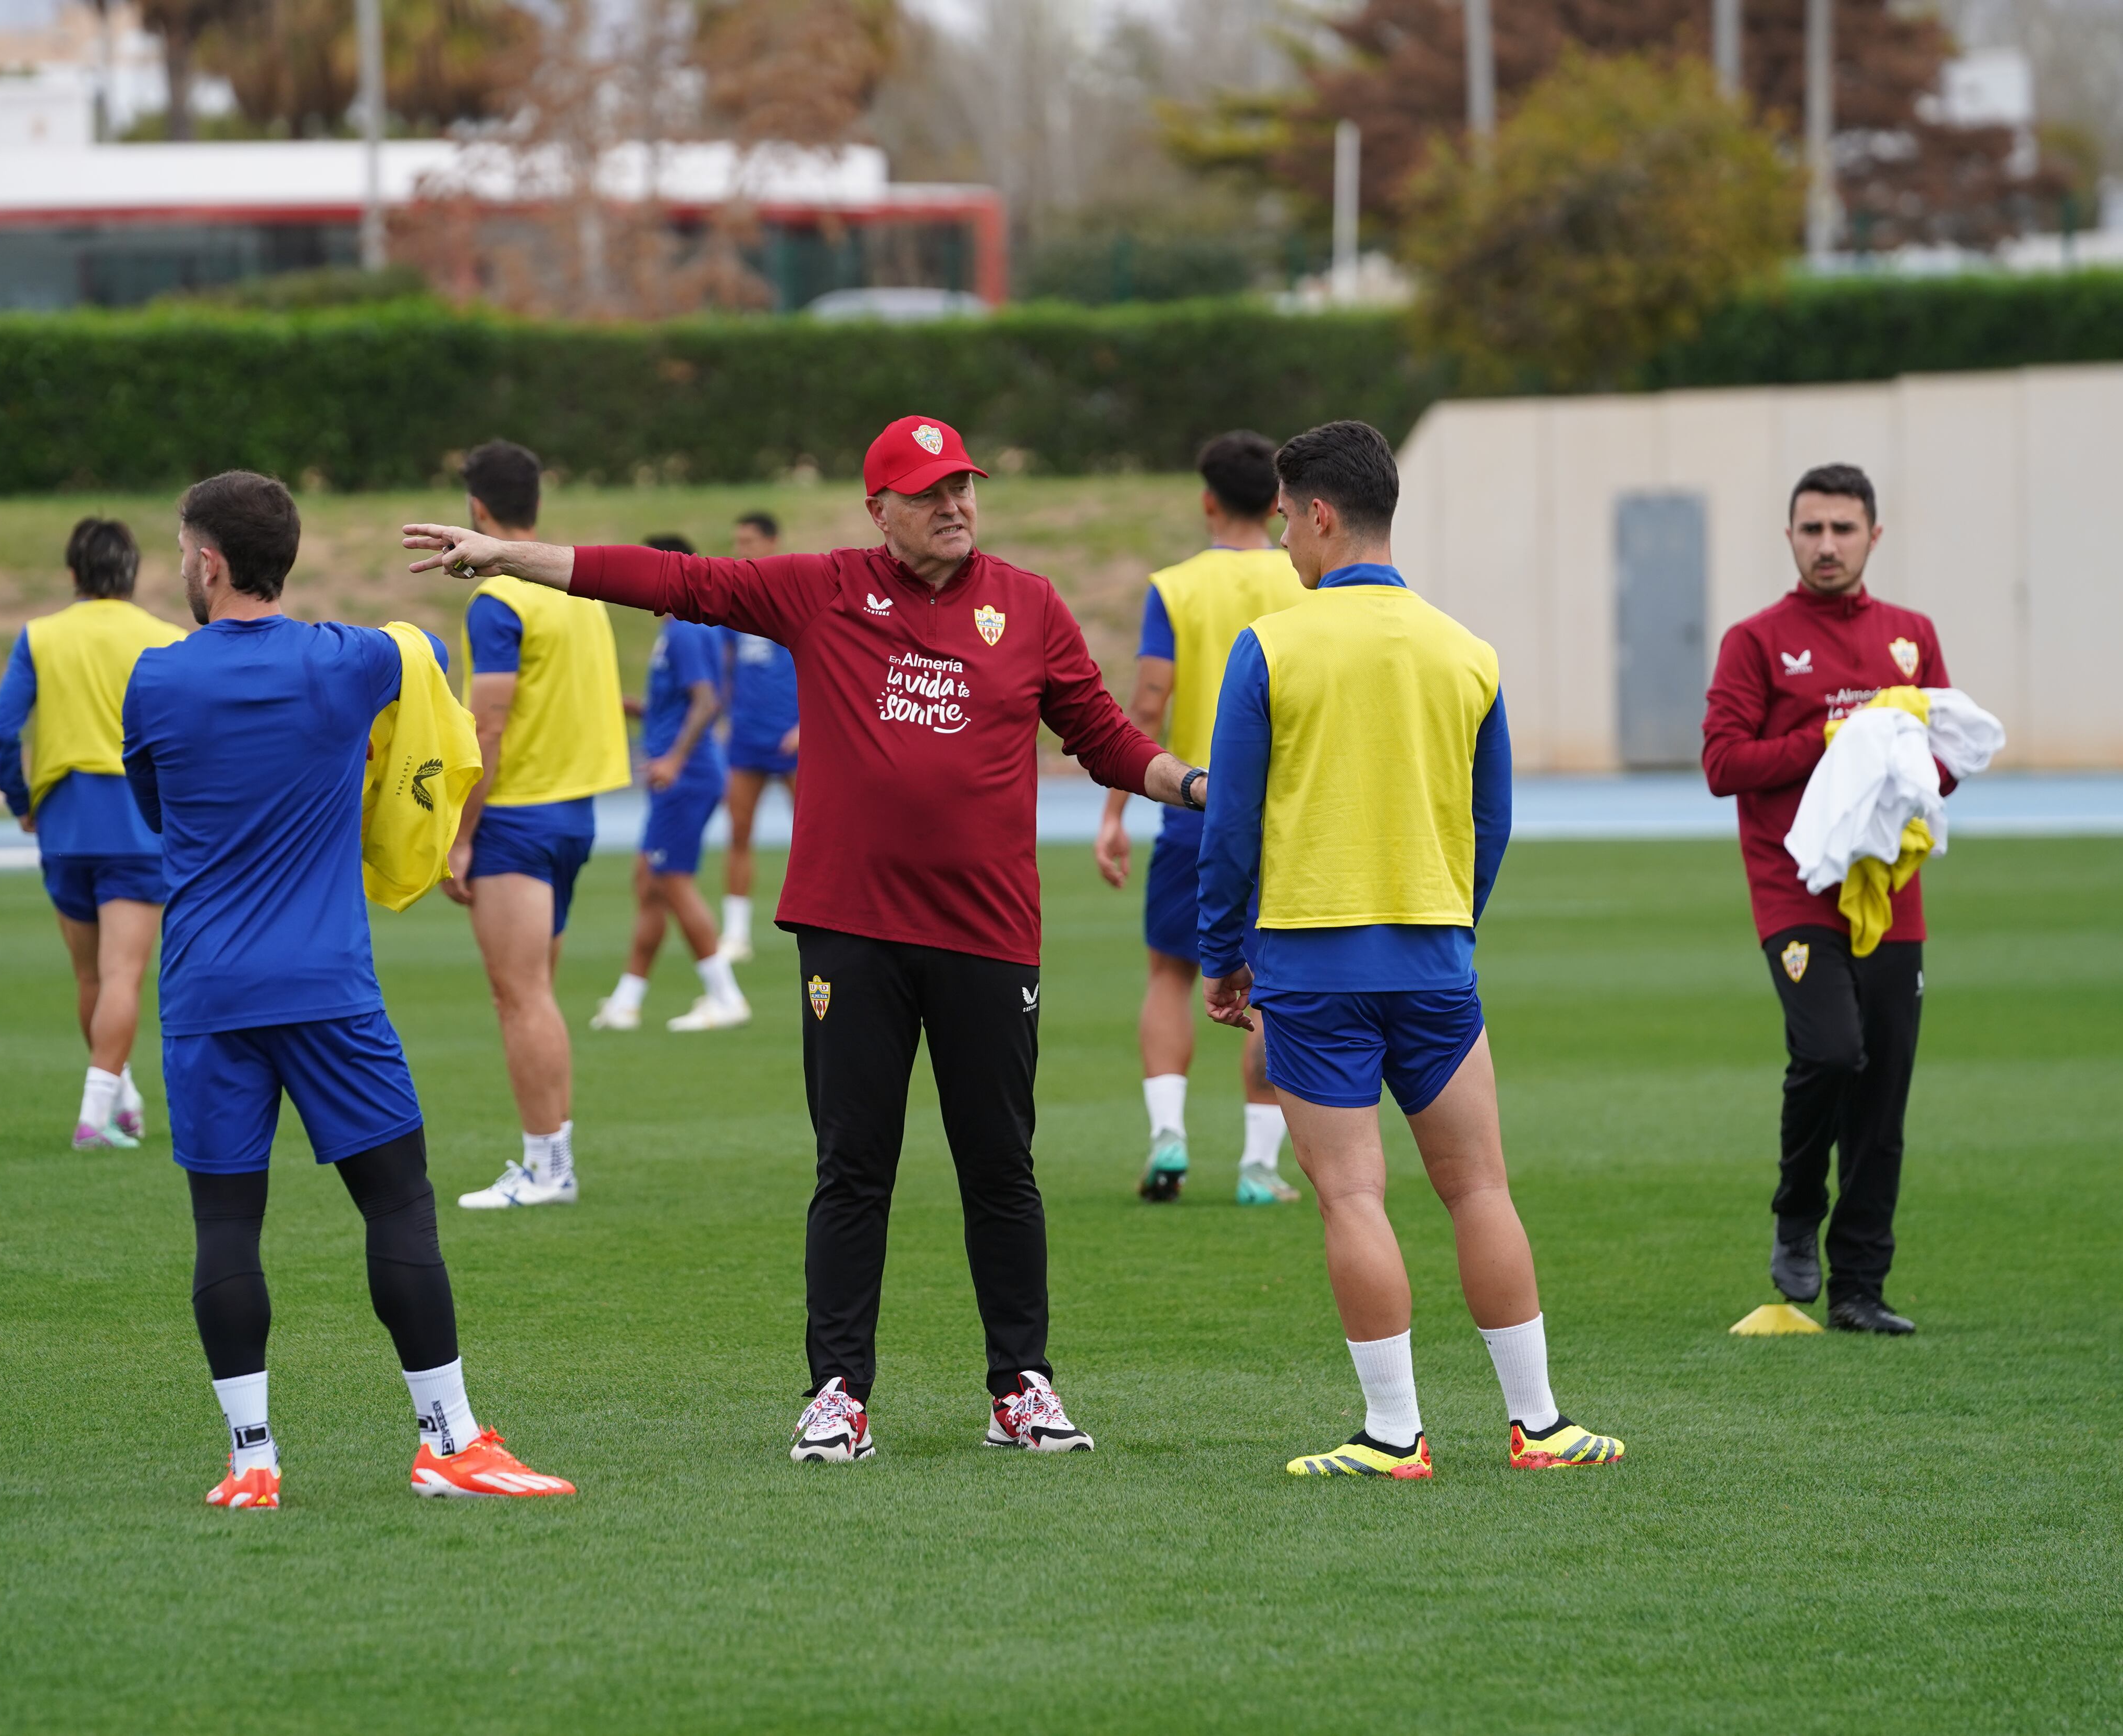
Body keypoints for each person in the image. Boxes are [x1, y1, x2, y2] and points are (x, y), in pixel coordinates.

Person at [403, 414, 1206, 1465]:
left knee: (1001, 1168)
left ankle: (1022, 1385)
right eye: (927, 492)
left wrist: (1190, 786)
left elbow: (1101, 734)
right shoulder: (820, 588)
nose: (954, 505)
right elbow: (662, 582)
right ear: (879, 510)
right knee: (852, 1168)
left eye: (962, 486)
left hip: (988, 933)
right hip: (851, 932)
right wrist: (510, 555)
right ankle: (837, 1392)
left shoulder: (1031, 603)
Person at [121, 469, 571, 1507]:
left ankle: (252, 1460)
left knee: (227, 1223)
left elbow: (156, 806)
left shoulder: (157, 678)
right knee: (398, 1202)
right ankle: (447, 1440)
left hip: (206, 994)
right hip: (327, 987)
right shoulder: (353, 660)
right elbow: (419, 656)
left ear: (210, 562)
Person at [1198, 420, 1624, 1479]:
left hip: (1311, 964)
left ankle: (1395, 1435)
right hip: (1437, 962)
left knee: (1351, 1195)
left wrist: (1223, 953)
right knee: (1479, 1186)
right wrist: (1449, 918)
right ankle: (1540, 1424)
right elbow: (1494, 821)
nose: (1284, 537)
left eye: (1289, 517)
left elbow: (1231, 824)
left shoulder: (1273, 644)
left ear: (1322, 515)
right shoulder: (1466, 649)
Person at [1700, 464, 1950, 1336]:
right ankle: (1796, 1207)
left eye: (1845, 529)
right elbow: (1724, 764)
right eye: (1813, 529)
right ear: (1791, 537)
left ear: (1874, 536)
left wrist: (1899, 753)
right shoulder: (1756, 641)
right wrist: (1832, 740)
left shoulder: (1911, 636)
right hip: (1795, 888)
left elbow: (1942, 763)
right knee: (1833, 1051)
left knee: (1883, 1094)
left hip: (1890, 894)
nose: (1828, 545)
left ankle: (1858, 1287)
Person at [1094, 432, 1310, 1205]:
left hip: (1195, 807)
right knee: (1270, 981)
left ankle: (1169, 1137)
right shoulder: (1303, 577)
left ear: (1208, 500)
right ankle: (1258, 1165)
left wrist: (1116, 809)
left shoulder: (1177, 585)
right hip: (1283, 816)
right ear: (1276, 502)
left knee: (1170, 971)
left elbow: (1148, 701)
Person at [441, 441, 630, 1210]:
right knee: (536, 993)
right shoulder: (575, 591)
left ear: (477, 510)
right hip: (575, 813)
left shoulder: (500, 601)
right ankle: (550, 1160)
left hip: (518, 818)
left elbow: (488, 727)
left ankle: (548, 1167)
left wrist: (459, 833)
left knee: (518, 997)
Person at [0, 517, 184, 1152]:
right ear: (133, 574)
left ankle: (120, 1095)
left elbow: (0, 729)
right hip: (136, 821)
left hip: (65, 821)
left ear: (73, 574)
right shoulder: (165, 638)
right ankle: (94, 1113)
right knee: (124, 975)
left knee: (91, 979)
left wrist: (22, 800)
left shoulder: (41, 636)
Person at [594, 535, 753, 1033]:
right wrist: (640, 710)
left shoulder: (685, 628)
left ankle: (726, 995)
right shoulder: (679, 628)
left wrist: (674, 761)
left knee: (672, 881)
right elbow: (692, 700)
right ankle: (627, 999)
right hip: (685, 772)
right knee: (649, 883)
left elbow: (707, 703)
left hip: (686, 776)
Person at [715, 511, 800, 962]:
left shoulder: (796, 595)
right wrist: (726, 714)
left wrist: (807, 725)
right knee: (739, 832)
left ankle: (817, 922)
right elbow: (726, 670)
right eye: (737, 541)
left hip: (794, 739)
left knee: (814, 837)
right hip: (746, 738)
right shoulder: (735, 604)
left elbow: (827, 667)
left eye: (748, 541)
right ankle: (736, 933)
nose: (741, 550)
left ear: (772, 542)